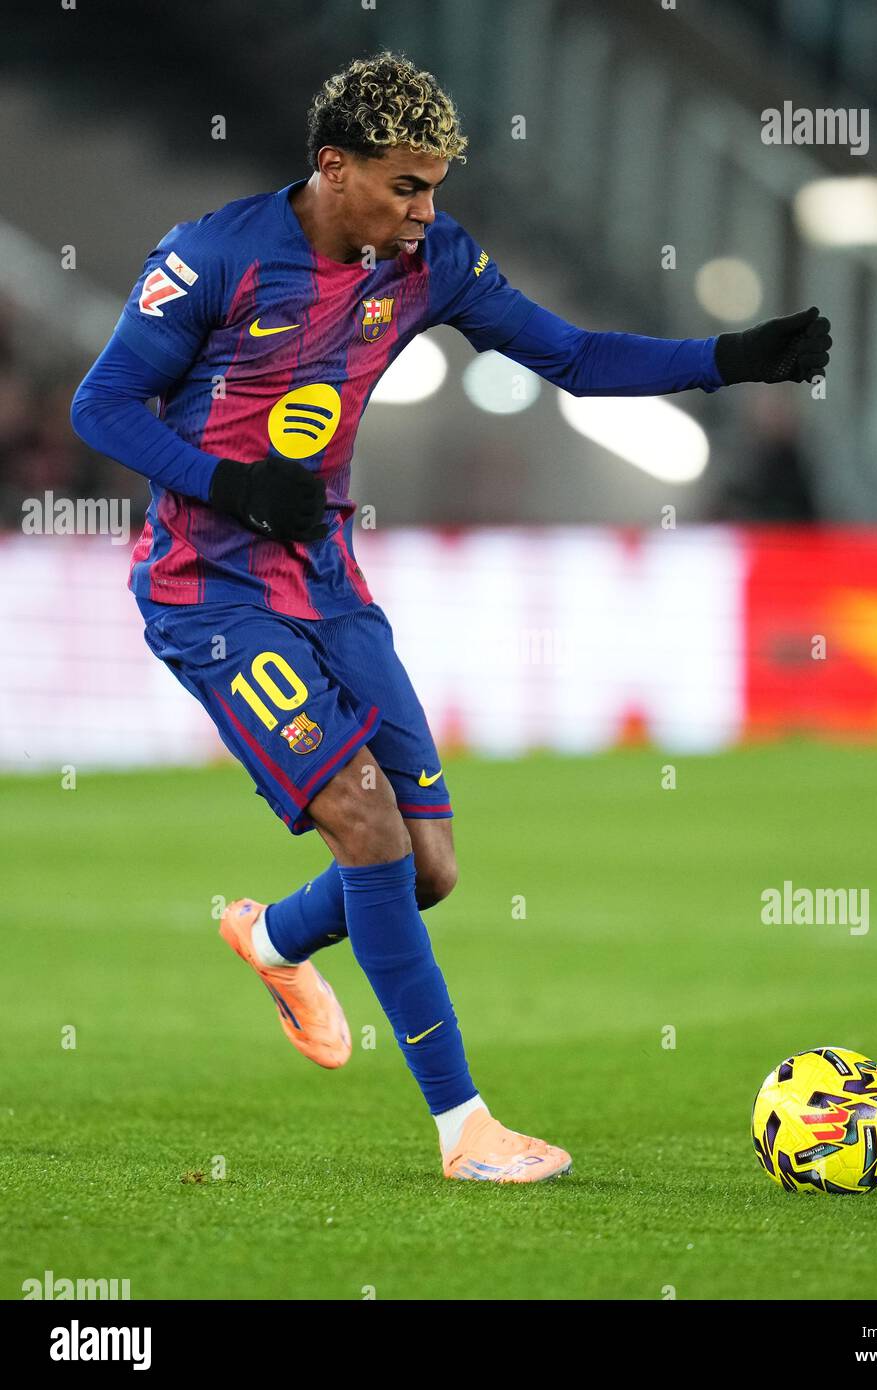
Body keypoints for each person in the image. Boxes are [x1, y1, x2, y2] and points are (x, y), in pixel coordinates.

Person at [70, 49, 830, 1183]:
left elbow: (569, 356)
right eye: (405, 186)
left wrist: (727, 360)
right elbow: (101, 404)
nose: (426, 211)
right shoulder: (212, 256)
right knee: (366, 823)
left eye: (434, 187)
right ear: (334, 167)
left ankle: (273, 936)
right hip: (208, 586)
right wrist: (228, 485)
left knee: (426, 865)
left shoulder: (429, 264)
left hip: (324, 578)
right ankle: (462, 1128)